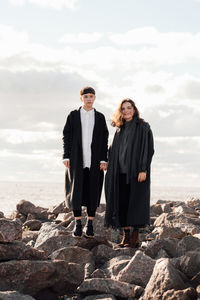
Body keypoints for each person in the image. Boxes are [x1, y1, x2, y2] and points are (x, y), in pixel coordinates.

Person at [105, 98, 154, 248]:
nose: (126, 111)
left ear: (134, 109)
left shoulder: (143, 127)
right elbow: (113, 150)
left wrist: (143, 169)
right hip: (119, 172)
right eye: (123, 108)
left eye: (129, 108)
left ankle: (135, 236)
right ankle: (126, 236)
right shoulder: (119, 129)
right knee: (122, 203)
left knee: (137, 203)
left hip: (136, 173)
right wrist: (107, 161)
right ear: (120, 112)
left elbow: (148, 149)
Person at [62, 86, 108, 238]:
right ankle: (77, 224)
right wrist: (66, 156)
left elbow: (104, 139)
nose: (88, 99)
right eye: (86, 96)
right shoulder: (73, 115)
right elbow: (66, 136)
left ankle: (90, 225)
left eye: (91, 96)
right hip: (76, 160)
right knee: (76, 192)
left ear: (94, 98)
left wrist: (103, 159)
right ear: (81, 98)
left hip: (94, 161)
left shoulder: (100, 117)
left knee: (93, 191)